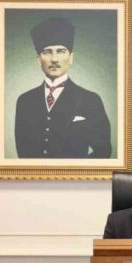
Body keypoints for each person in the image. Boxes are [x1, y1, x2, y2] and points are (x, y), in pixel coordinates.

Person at [15, 17, 111, 158]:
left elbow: (103, 151)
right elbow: (23, 155)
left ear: (71, 57)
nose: (54, 59)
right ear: (39, 59)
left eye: (61, 51)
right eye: (47, 52)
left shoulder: (90, 100)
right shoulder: (25, 101)